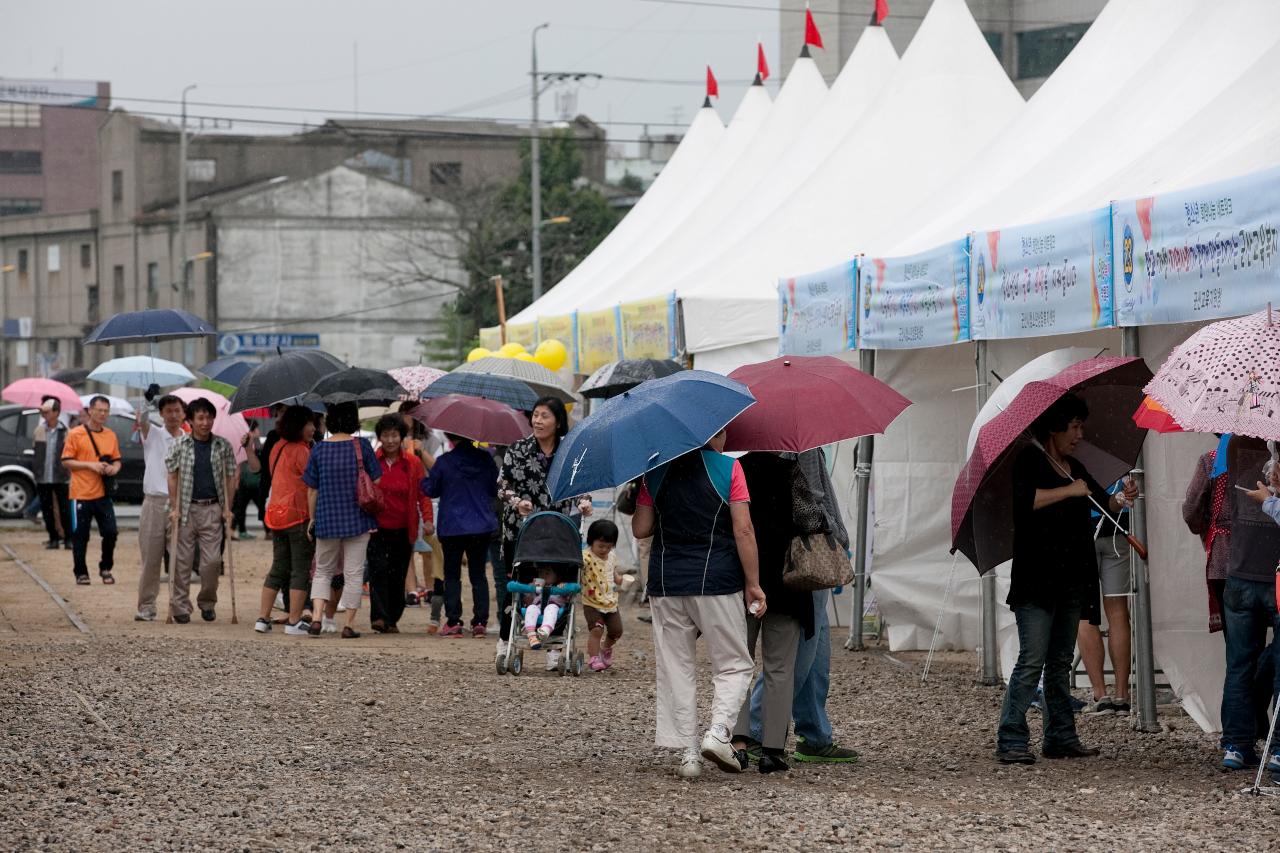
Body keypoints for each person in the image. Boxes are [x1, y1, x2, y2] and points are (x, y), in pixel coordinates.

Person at [995, 394, 1137, 765]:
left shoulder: (1072, 464)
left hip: (1071, 577)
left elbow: (1100, 502)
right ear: (1055, 427)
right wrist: (1068, 490)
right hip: (1036, 580)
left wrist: (1120, 499)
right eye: (1074, 426)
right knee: (1032, 658)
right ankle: (1010, 736)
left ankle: (1060, 735)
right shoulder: (1030, 459)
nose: (1079, 433)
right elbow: (1025, 502)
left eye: (1081, 426)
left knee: (1059, 661)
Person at [632, 428, 766, 780]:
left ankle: (689, 754)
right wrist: (753, 584)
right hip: (717, 580)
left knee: (677, 665)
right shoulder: (729, 469)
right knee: (734, 663)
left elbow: (641, 528)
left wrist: (644, 491)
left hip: (666, 581)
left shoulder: (654, 471)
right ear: (714, 434)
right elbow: (744, 530)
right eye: (723, 432)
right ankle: (719, 733)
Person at [746, 447, 858, 765]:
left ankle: (815, 733)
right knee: (796, 658)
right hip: (804, 555)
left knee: (815, 653)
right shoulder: (798, 447)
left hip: (789, 555)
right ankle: (758, 730)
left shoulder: (779, 447)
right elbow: (812, 498)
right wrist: (837, 536)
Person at [730, 452, 813, 775]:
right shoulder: (791, 471)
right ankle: (772, 750)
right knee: (780, 668)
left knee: (738, 664)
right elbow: (810, 519)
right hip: (786, 581)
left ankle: (737, 743)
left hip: (741, 578)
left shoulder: (735, 471)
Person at [497, 397, 592, 665]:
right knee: (517, 587)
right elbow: (502, 486)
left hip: (558, 533)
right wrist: (518, 503)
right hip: (522, 531)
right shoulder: (517, 449)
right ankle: (505, 642)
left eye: (544, 416)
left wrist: (585, 502)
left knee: (559, 588)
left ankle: (554, 648)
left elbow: (581, 486)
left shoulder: (569, 452)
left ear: (558, 421)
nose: (537, 421)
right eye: (535, 415)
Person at [303, 402, 381, 639]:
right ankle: (349, 624)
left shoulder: (318, 450)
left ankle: (316, 618)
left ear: (330, 420)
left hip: (327, 519)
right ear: (353, 419)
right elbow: (376, 481)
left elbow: (312, 490)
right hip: (358, 518)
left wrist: (312, 518)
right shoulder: (362, 446)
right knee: (354, 573)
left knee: (323, 571)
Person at [1229, 451, 1280, 774]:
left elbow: (1196, 509)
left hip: (1241, 570)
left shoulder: (1228, 451)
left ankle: (1236, 744)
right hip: (1270, 576)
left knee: (1239, 665)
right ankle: (1276, 749)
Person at [165, 397, 237, 624]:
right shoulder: (180, 444)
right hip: (185, 509)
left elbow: (230, 477)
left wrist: (228, 508)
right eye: (201, 418)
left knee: (212, 562)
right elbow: (172, 475)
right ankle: (180, 606)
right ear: (191, 421)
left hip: (212, 508)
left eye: (209, 417)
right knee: (181, 561)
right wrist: (174, 505)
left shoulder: (222, 445)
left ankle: (207, 602)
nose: (206, 422)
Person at [421, 433, 498, 638]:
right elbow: (493, 489)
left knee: (452, 575)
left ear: (451, 436)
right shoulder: (486, 459)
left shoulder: (445, 462)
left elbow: (431, 490)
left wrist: (423, 479)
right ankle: (480, 622)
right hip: (481, 525)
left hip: (452, 526)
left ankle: (453, 621)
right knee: (478, 574)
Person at [255, 406, 317, 635]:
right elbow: (313, 483)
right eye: (309, 423)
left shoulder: (277, 446)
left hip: (276, 515)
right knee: (300, 569)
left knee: (279, 567)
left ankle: (263, 618)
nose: (312, 428)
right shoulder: (302, 451)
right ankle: (294, 621)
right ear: (298, 426)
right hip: (298, 516)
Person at [369, 414, 431, 634]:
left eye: (394, 435)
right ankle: (378, 617)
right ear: (379, 437)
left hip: (404, 528)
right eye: (385, 435)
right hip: (375, 527)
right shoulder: (372, 461)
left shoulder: (412, 463)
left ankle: (392, 617)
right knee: (377, 571)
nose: (390, 440)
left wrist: (428, 520)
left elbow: (423, 494)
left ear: (401, 437)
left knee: (397, 574)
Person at [1076, 479, 1134, 715]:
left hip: (1082, 529)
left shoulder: (1070, 452)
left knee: (1085, 614)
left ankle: (1100, 694)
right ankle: (1122, 694)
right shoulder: (1115, 448)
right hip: (1117, 526)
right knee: (1118, 610)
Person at [134, 394, 187, 621]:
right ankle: (146, 606)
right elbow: (142, 420)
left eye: (177, 410)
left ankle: (180, 605)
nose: (173, 415)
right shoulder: (153, 434)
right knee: (151, 558)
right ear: (162, 414)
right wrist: (147, 400)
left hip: (181, 503)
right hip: (155, 501)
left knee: (180, 558)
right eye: (169, 411)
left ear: (184, 414)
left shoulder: (189, 440)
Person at [61, 395, 122, 585]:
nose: (103, 414)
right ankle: (81, 572)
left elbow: (117, 459)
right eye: (99, 410)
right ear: (90, 411)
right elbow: (66, 461)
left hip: (103, 494)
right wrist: (91, 466)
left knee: (111, 532)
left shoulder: (110, 435)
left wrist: (114, 468)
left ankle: (105, 567)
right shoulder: (75, 434)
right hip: (80, 494)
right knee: (80, 535)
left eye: (106, 410)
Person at [581, 519, 624, 671]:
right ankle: (594, 658)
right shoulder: (585, 557)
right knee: (596, 629)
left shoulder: (612, 556)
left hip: (610, 602)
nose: (604, 550)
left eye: (608, 546)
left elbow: (614, 574)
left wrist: (621, 580)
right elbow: (578, 571)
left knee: (617, 631)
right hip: (592, 602)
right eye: (600, 546)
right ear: (591, 541)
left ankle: (605, 649)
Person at [31, 397, 70, 550]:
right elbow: (36, 452)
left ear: (56, 413)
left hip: (61, 476)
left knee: (64, 509)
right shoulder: (39, 430)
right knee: (46, 510)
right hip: (43, 476)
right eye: (43, 412)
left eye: (47, 412)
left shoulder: (66, 432)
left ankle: (68, 539)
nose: (44, 415)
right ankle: (53, 538)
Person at [232, 420, 265, 540]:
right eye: (257, 429)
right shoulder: (245, 441)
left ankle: (267, 530)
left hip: (253, 482)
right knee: (240, 508)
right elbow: (239, 461)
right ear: (252, 430)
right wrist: (237, 478)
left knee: (256, 507)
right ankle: (239, 530)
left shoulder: (257, 444)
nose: (259, 431)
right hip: (247, 482)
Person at [523, 564, 569, 649]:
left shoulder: (560, 586)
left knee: (551, 607)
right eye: (540, 573)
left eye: (547, 573)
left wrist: (563, 588)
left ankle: (545, 630)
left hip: (554, 609)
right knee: (531, 608)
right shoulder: (535, 587)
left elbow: (568, 595)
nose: (543, 576)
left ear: (558, 576)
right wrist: (531, 589)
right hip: (537, 608)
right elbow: (527, 601)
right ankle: (531, 635)